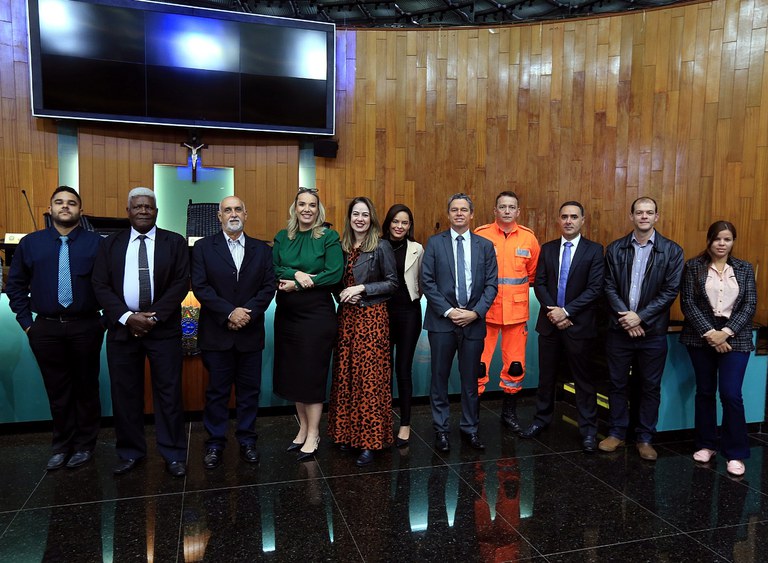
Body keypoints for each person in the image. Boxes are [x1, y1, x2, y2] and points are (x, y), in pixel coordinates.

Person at [92, 187, 190, 477]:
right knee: (125, 394)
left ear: (156, 212)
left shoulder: (174, 242)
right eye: (138, 206)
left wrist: (153, 317)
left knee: (169, 394)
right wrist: (127, 317)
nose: (144, 211)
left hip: (164, 330)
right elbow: (100, 284)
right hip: (123, 330)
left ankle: (173, 454)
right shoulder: (110, 244)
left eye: (149, 207)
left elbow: (181, 283)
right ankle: (130, 452)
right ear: (128, 212)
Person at [6, 186, 104, 471]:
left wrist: (103, 323)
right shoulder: (31, 243)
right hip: (45, 329)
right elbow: (15, 286)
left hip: (86, 326)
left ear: (80, 211)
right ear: (49, 209)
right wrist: (27, 325)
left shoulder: (97, 244)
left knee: (86, 388)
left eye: (71, 203)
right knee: (57, 390)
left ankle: (85, 446)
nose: (65, 207)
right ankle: (62, 446)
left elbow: (112, 285)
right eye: (59, 202)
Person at [191, 196, 275, 469]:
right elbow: (201, 287)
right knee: (217, 392)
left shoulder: (262, 249)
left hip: (250, 333)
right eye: (227, 210)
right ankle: (215, 444)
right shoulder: (203, 247)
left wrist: (246, 314)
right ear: (219, 216)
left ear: (246, 214)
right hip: (217, 333)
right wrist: (229, 313)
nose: (233, 214)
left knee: (249, 392)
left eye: (238, 209)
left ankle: (247, 440)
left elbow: (268, 286)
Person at [600, 196, 684, 460]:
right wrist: (627, 318)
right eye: (639, 212)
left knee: (649, 386)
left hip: (652, 333)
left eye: (649, 212)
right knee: (617, 384)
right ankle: (616, 432)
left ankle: (645, 438)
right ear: (631, 216)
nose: (644, 216)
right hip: (619, 330)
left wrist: (641, 318)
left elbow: (670, 291)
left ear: (656, 217)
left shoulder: (672, 251)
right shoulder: (616, 249)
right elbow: (608, 286)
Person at [519, 201, 604, 452]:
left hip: (578, 325)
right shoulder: (547, 249)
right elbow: (540, 283)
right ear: (559, 220)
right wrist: (554, 312)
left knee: (583, 380)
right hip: (549, 325)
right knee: (546, 377)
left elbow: (594, 289)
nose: (568, 221)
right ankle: (541, 420)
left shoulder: (594, 250)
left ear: (582, 220)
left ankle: (588, 430)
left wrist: (566, 312)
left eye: (574, 217)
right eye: (564, 216)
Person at [421, 193, 498, 452]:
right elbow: (427, 281)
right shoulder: (435, 243)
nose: (459, 214)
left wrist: (475, 313)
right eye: (454, 209)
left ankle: (470, 429)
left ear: (472, 214)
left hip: (473, 323)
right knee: (439, 379)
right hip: (442, 322)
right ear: (448, 214)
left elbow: (491, 284)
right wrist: (449, 311)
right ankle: (441, 430)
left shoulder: (485, 246)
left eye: (464, 210)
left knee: (471, 380)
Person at [680, 221, 757, 477]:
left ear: (733, 242)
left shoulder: (744, 268)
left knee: (731, 394)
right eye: (717, 239)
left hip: (736, 336)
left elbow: (750, 304)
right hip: (701, 335)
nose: (722, 244)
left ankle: (735, 453)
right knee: (705, 391)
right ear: (709, 240)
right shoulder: (693, 266)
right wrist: (711, 333)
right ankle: (706, 444)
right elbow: (688, 303)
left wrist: (726, 332)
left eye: (727, 239)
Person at [273, 187, 343, 462]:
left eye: (312, 205)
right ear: (295, 208)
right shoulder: (283, 236)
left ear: (318, 209)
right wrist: (298, 273)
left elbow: (334, 273)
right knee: (294, 374)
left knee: (311, 375)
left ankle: (314, 433)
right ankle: (302, 428)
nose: (306, 209)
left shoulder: (328, 237)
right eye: (302, 204)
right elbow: (275, 268)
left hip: (316, 317)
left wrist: (302, 283)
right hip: (287, 316)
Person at [327, 197, 398, 467]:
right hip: (347, 319)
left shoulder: (381, 246)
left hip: (372, 319)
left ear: (372, 219)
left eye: (365, 214)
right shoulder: (341, 246)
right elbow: (335, 281)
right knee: (346, 376)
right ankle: (346, 434)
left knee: (369, 379)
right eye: (355, 214)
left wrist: (362, 289)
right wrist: (344, 293)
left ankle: (370, 441)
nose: (360, 219)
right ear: (349, 218)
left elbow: (392, 283)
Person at [474, 191, 539, 432]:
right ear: (495, 210)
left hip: (516, 314)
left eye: (512, 207)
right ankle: (473, 415)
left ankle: (509, 413)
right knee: (478, 366)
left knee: (515, 366)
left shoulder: (529, 239)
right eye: (503, 206)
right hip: (486, 312)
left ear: (518, 211)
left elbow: (532, 274)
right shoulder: (481, 235)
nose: (507, 211)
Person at [382, 204, 424, 447]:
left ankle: (405, 424)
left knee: (403, 369)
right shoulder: (377, 245)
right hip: (381, 313)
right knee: (383, 370)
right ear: (388, 222)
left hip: (409, 313)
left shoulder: (417, 248)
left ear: (409, 226)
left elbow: (422, 280)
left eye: (404, 223)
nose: (399, 226)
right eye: (395, 221)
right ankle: (384, 422)